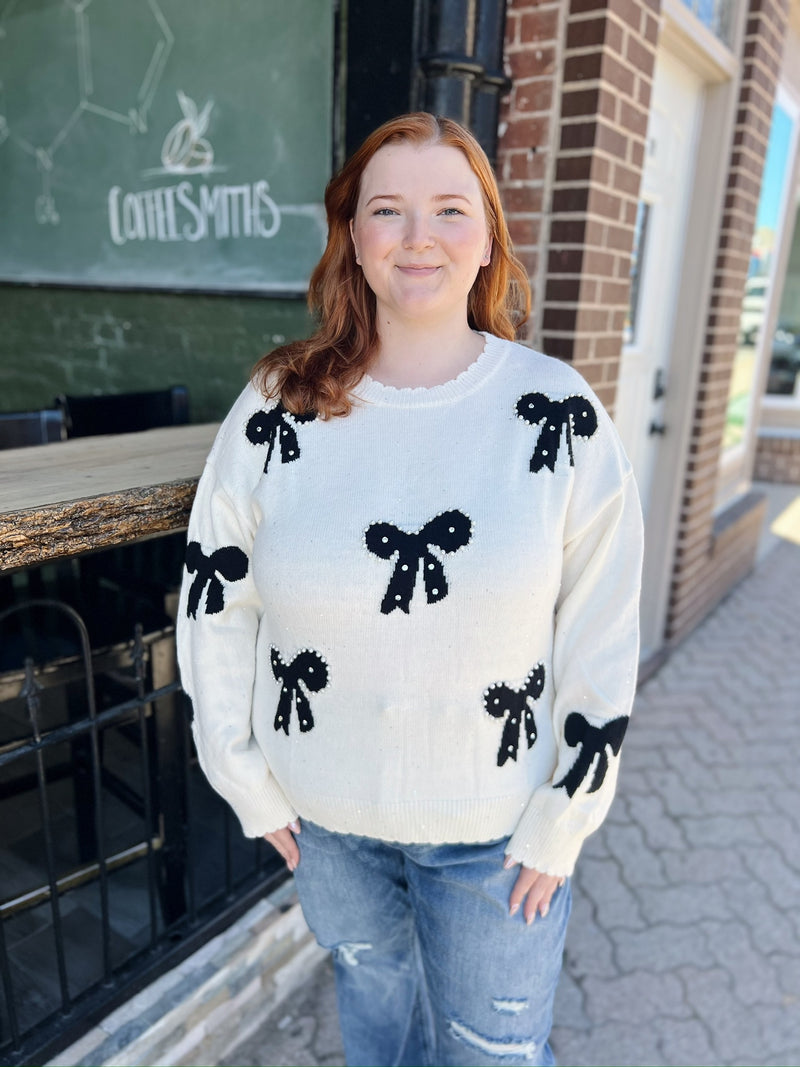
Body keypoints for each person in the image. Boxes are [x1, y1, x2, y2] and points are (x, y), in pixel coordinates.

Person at [177, 112, 643, 1067]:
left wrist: (568, 815)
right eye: (387, 209)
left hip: (499, 833)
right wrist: (242, 776)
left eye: (449, 209)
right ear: (353, 235)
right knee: (379, 1030)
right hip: (327, 824)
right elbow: (215, 597)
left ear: (486, 239)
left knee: (493, 1052)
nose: (418, 235)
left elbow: (602, 620)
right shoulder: (279, 406)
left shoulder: (555, 413)